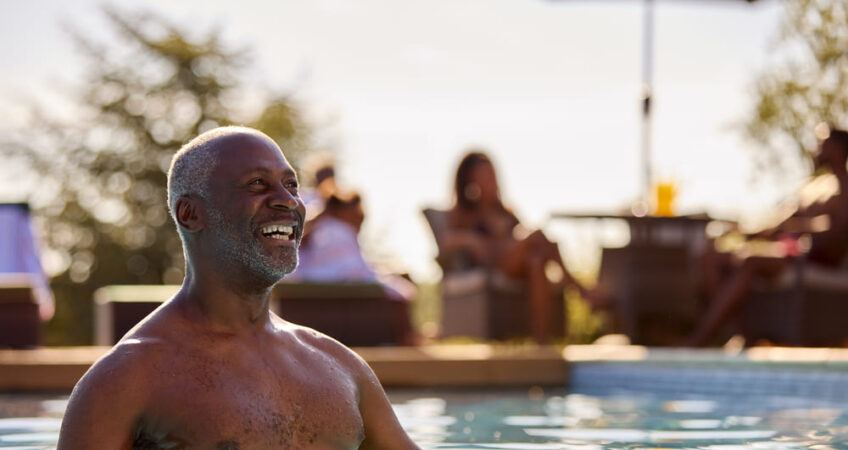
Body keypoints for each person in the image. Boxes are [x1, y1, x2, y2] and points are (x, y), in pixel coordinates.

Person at [57, 127, 419, 449]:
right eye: (257, 184)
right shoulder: (124, 382)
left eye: (291, 185)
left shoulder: (340, 367)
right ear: (190, 214)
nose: (289, 201)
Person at [687, 128, 848, 346]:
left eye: (822, 144)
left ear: (838, 149)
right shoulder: (813, 186)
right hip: (785, 250)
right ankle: (744, 334)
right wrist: (743, 233)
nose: (815, 149)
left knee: (750, 260)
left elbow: (838, 231)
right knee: (710, 258)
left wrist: (798, 226)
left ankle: (700, 339)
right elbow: (778, 224)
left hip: (812, 256)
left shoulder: (844, 187)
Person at [438, 151, 606, 344]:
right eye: (483, 176)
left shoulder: (503, 210)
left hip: (516, 263)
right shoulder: (465, 212)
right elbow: (447, 240)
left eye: (491, 175)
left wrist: (508, 234)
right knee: (537, 237)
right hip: (492, 262)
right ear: (471, 180)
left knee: (536, 261)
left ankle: (541, 341)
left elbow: (520, 233)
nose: (489, 181)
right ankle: (580, 290)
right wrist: (472, 240)